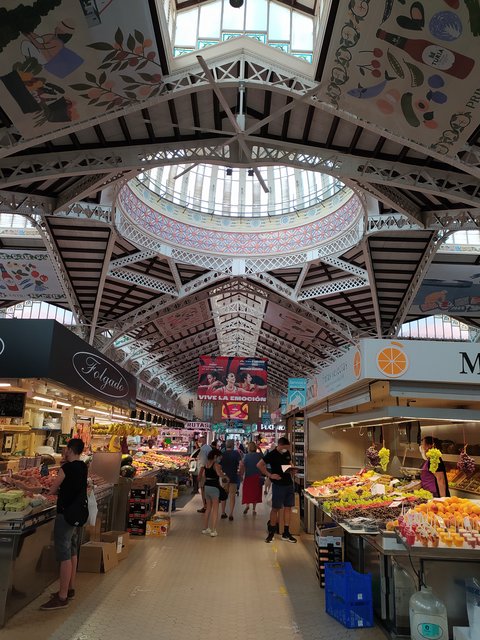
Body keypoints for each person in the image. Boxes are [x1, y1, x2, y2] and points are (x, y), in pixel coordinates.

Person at [40, 438, 88, 610]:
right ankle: (70, 588)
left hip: (65, 514)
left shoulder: (66, 468)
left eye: (66, 449)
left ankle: (61, 597)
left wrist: (35, 489)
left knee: (64, 553)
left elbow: (52, 490)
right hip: (77, 514)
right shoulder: (83, 466)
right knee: (72, 549)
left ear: (69, 450)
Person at [257, 437, 297, 543]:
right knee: (275, 508)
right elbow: (260, 465)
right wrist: (270, 475)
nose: (286, 449)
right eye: (284, 447)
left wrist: (292, 469)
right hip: (278, 485)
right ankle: (272, 532)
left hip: (289, 484)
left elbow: (289, 463)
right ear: (279, 445)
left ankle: (286, 532)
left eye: (287, 448)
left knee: (288, 508)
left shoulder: (287, 453)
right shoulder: (271, 454)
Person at [197, 448, 228, 537]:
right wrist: (225, 476)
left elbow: (204, 475)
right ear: (215, 456)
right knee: (215, 510)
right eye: (219, 457)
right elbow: (219, 474)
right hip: (214, 487)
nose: (220, 459)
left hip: (207, 487)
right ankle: (213, 530)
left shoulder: (206, 464)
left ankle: (205, 528)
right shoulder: (216, 465)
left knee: (208, 508)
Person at [220, 439, 242, 520]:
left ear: (226, 445)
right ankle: (231, 514)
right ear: (233, 445)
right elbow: (241, 463)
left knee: (224, 495)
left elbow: (218, 465)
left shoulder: (222, 454)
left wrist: (221, 473)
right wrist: (240, 472)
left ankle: (222, 512)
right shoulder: (236, 453)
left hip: (225, 477)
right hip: (233, 476)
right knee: (232, 495)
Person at [239, 441, 263, 515]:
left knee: (248, 492)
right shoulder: (259, 455)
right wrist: (259, 448)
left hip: (248, 476)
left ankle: (247, 505)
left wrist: (241, 475)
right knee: (255, 492)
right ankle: (254, 509)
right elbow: (264, 457)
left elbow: (242, 465)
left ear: (248, 448)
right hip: (257, 476)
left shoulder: (246, 456)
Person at [196, 436, 212, 513]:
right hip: (209, 471)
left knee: (203, 489)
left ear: (203, 441)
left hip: (203, 473)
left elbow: (202, 464)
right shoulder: (209, 448)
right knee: (207, 489)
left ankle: (205, 506)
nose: (198, 443)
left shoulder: (202, 449)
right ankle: (208, 505)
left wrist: (199, 475)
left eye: (199, 441)